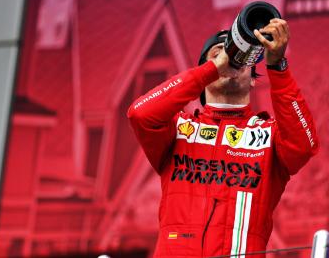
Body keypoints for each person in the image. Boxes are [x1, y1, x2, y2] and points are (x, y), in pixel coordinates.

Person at [128, 18, 319, 258]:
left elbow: (303, 146)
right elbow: (139, 113)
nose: (230, 59)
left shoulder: (269, 135)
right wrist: (212, 69)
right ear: (203, 75)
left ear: (252, 78)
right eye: (218, 54)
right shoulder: (179, 128)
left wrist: (278, 65)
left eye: (240, 56)